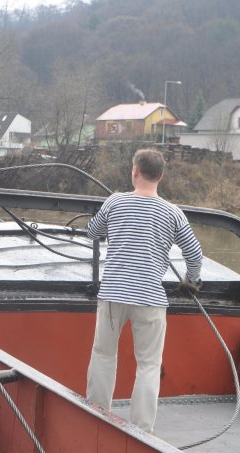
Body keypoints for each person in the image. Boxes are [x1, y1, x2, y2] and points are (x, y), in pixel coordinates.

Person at [86, 148, 203, 433]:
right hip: (150, 298)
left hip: (113, 295)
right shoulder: (173, 212)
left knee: (103, 354)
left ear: (134, 171)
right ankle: (141, 429)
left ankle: (97, 414)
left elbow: (92, 232)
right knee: (149, 365)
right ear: (160, 176)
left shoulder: (115, 201)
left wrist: (111, 214)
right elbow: (195, 254)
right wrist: (191, 281)